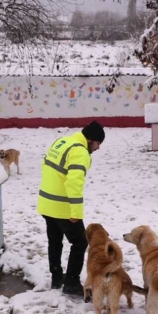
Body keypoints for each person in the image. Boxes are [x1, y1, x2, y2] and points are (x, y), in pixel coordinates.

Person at [37, 121, 105, 296]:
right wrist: (75, 213)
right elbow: (74, 183)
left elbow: (45, 167)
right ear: (90, 139)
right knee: (80, 242)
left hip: (46, 203)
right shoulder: (79, 152)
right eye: (98, 143)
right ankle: (72, 282)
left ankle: (56, 276)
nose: (98, 148)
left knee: (55, 241)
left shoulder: (62, 141)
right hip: (62, 207)